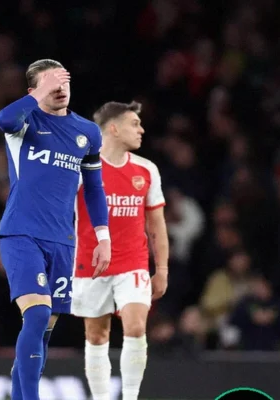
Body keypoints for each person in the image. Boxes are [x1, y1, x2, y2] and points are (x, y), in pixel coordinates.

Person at [0, 59, 111, 400]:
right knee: (37, 312)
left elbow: (94, 188)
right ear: (34, 90)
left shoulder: (87, 132)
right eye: (50, 83)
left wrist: (103, 237)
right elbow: (4, 119)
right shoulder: (24, 123)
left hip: (62, 240)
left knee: (43, 330)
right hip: (21, 233)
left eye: (64, 82)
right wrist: (39, 94)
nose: (59, 89)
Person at [73, 101, 169, 400]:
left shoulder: (146, 170)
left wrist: (162, 269)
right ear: (113, 128)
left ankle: (130, 396)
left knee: (136, 327)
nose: (141, 130)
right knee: (96, 335)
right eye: (134, 124)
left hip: (134, 263)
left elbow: (156, 224)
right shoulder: (80, 168)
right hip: (91, 263)